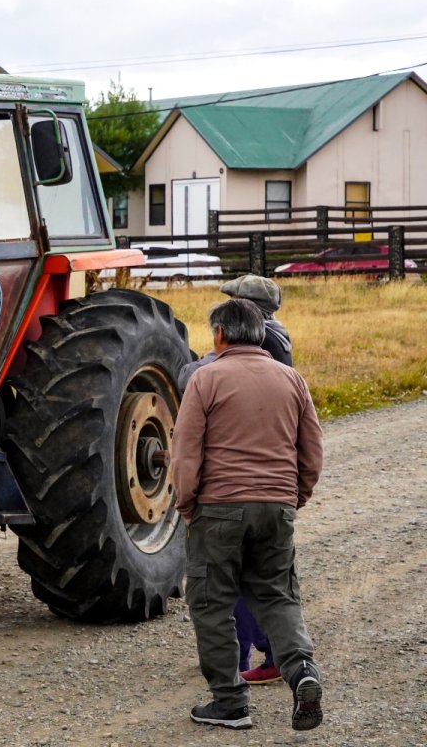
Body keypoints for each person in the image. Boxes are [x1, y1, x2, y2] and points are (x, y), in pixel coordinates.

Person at [172, 298, 324, 732]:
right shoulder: (292, 379)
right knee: (278, 594)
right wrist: (294, 497)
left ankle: (230, 702)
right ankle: (301, 672)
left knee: (212, 601)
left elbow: (186, 451)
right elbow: (311, 451)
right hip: (277, 506)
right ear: (260, 334)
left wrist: (187, 503)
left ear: (220, 334)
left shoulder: (206, 379)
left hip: (218, 507)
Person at [178, 274, 291, 685]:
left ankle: (255, 660)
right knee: (258, 577)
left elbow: (193, 378)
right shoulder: (277, 344)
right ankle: (250, 655)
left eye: (232, 303)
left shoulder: (262, 347)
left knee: (235, 581)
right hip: (270, 482)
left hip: (234, 485)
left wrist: (186, 499)